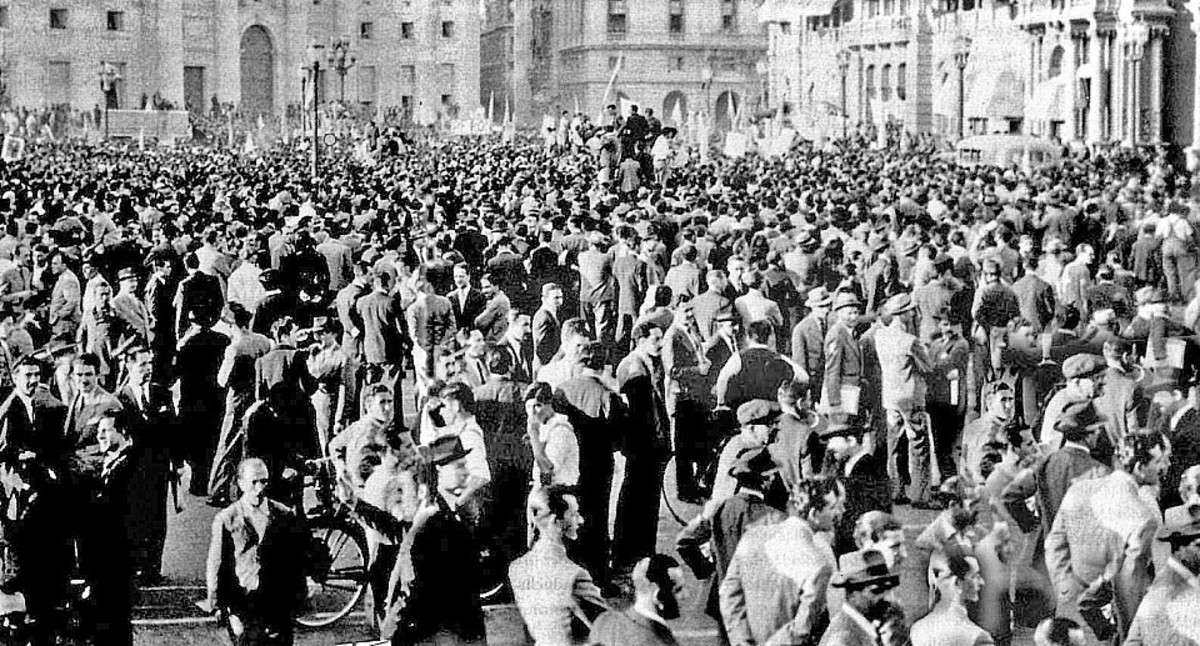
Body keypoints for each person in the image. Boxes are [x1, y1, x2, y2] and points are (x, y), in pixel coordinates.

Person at [1045, 430, 1169, 644]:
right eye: (1160, 460)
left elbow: (1055, 543)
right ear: (1139, 469)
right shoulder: (1144, 518)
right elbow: (1129, 586)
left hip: (1070, 616)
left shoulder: (1080, 489)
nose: (1166, 465)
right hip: (1115, 629)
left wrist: (1066, 589)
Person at [676, 446, 786, 642]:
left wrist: (708, 570)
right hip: (759, 602)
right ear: (765, 481)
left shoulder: (719, 509)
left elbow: (685, 542)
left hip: (722, 596)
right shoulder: (774, 517)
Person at [719, 476, 844, 646]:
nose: (841, 511)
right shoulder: (820, 564)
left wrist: (741, 641)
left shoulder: (753, 536)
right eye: (835, 507)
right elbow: (801, 629)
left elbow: (729, 593)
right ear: (814, 514)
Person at [204, 458, 308, 646]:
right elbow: (216, 563)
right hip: (243, 604)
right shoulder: (227, 519)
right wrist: (217, 604)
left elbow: (295, 561)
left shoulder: (284, 515)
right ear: (241, 483)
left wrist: (299, 599)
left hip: (277, 603)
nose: (260, 488)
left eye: (264, 481)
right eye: (254, 482)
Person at [395, 435, 487, 645]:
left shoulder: (455, 511)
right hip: (447, 631)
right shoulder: (434, 520)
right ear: (438, 471)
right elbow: (431, 586)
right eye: (459, 466)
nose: (467, 473)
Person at [552, 340, 625, 588]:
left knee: (569, 514)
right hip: (599, 465)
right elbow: (618, 438)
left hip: (569, 464)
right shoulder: (608, 396)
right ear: (604, 365)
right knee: (598, 517)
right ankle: (599, 577)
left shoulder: (561, 390)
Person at [508, 485, 607, 646]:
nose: (580, 520)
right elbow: (608, 629)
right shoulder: (574, 575)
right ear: (555, 521)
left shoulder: (516, 568)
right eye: (574, 515)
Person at [613, 322, 671, 574]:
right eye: (656, 339)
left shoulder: (648, 363)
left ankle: (644, 551)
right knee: (636, 500)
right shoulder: (634, 368)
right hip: (642, 447)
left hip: (652, 446)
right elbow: (639, 415)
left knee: (648, 501)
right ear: (640, 340)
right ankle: (629, 554)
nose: (660, 343)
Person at [874, 293, 935, 507]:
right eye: (911, 310)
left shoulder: (880, 336)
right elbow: (929, 367)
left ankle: (896, 489)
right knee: (919, 444)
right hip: (910, 397)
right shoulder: (910, 341)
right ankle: (920, 495)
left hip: (890, 396)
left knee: (895, 444)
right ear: (904, 314)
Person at [83, 411, 136, 646]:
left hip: (115, 559)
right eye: (99, 430)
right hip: (105, 558)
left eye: (106, 430)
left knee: (113, 622)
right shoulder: (113, 462)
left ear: (123, 432)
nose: (100, 435)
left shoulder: (131, 466)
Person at [589, 554, 684, 646]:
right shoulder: (656, 640)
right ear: (657, 593)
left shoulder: (603, 621)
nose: (685, 596)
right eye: (677, 590)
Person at [819, 549, 902, 646]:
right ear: (852, 594)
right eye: (877, 591)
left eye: (888, 588)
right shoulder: (842, 638)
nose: (886, 597)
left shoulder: (865, 627)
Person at [910, 552, 994, 646]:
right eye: (975, 576)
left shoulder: (918, 629)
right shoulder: (977, 637)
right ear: (958, 583)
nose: (982, 582)